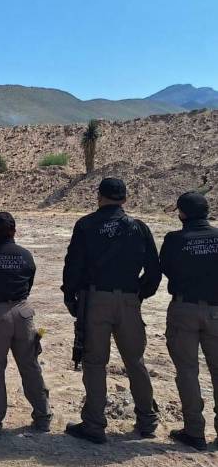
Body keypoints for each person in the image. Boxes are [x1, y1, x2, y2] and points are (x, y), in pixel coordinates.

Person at [62, 178, 161, 444]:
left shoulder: (85, 225)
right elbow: (154, 270)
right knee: (135, 361)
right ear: (125, 199)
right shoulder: (139, 227)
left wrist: (69, 296)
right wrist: (139, 294)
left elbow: (73, 264)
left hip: (95, 300)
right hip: (129, 299)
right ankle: (147, 420)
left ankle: (94, 424)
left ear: (99, 197)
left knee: (94, 363)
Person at [0, 212, 52, 439]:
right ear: (14, 231)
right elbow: (29, 283)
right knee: (30, 365)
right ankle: (43, 417)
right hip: (23, 313)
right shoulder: (25, 255)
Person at [160, 192, 218, 451]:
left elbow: (166, 268)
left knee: (187, 371)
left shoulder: (174, 240)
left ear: (182, 213)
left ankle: (194, 431)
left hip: (184, 309)